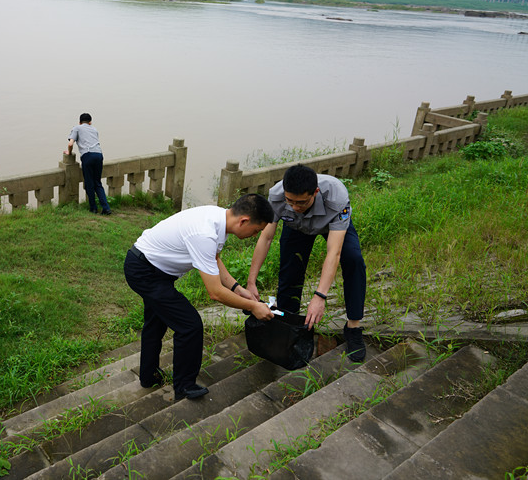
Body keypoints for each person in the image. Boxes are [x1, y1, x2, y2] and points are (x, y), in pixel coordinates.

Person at [124, 193, 276, 401]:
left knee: (156, 321)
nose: (254, 235)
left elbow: (213, 259)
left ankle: (148, 376)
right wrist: (252, 306)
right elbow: (214, 292)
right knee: (190, 325)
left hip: (151, 267)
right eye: (256, 231)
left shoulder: (218, 218)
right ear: (244, 221)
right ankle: (184, 386)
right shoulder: (205, 233)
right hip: (145, 272)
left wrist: (237, 288)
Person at [246, 164, 367, 362]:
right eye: (290, 201)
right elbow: (266, 238)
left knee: (354, 260)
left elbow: (333, 252)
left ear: (315, 192)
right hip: (296, 227)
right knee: (290, 269)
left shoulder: (337, 198)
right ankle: (288, 325)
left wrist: (320, 296)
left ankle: (353, 327)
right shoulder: (276, 196)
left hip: (331, 226)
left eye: (301, 202)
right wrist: (251, 281)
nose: (294, 206)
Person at [65, 113, 111, 215]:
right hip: (98, 155)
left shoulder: (77, 128)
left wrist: (69, 152)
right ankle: (106, 208)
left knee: (89, 183)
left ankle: (93, 208)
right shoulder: (94, 129)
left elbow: (70, 143)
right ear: (90, 122)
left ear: (79, 122)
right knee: (97, 183)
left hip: (88, 156)